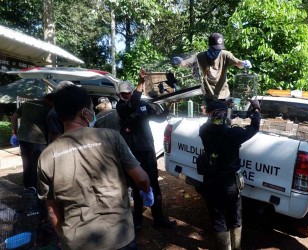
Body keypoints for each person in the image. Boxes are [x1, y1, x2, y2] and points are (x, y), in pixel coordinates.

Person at [37, 85, 154, 250]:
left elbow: (52, 210)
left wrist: (64, 239)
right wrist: (147, 192)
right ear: (85, 113)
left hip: (77, 242)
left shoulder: (47, 156)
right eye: (92, 109)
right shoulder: (110, 137)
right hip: (119, 237)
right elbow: (141, 178)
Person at [116, 69, 177, 231]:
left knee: (154, 185)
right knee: (137, 187)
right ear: (120, 95)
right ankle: (137, 221)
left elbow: (159, 118)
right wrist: (141, 83)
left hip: (148, 150)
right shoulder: (121, 107)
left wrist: (169, 106)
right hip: (133, 152)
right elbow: (131, 105)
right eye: (124, 94)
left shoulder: (143, 105)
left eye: (128, 93)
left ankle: (159, 219)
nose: (126, 96)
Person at [199, 99, 261, 249]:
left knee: (218, 217)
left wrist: (224, 107)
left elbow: (216, 122)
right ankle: (236, 247)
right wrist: (257, 110)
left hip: (211, 181)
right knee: (235, 215)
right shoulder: (233, 133)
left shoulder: (203, 130)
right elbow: (254, 128)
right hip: (230, 183)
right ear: (224, 115)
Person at [172, 32, 252, 104]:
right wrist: (179, 61)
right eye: (215, 49)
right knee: (213, 118)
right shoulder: (201, 56)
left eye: (219, 49)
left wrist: (244, 63)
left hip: (224, 94)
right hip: (209, 95)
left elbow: (238, 63)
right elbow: (185, 64)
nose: (217, 51)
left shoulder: (226, 55)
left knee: (225, 118)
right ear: (210, 47)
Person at [11, 93, 54, 189]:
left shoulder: (27, 103)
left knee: (26, 162)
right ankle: (34, 186)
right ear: (50, 101)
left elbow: (14, 117)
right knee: (37, 164)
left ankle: (26, 185)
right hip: (38, 140)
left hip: (22, 138)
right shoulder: (49, 109)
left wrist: (14, 132)